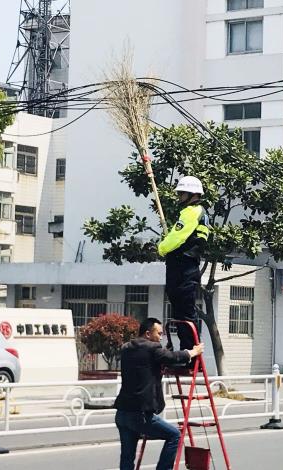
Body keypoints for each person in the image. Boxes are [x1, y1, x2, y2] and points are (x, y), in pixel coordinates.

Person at [114, 317, 204, 470]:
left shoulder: (126, 348)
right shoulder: (152, 348)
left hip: (122, 413)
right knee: (174, 435)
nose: (160, 337)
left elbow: (148, 362)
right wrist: (193, 352)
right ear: (148, 334)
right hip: (140, 415)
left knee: (127, 458)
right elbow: (172, 358)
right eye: (159, 334)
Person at [158, 176, 209, 352]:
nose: (179, 197)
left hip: (184, 267)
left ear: (191, 194)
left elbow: (177, 237)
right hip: (183, 266)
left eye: (182, 193)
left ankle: (190, 352)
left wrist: (162, 248)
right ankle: (184, 351)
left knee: (185, 311)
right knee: (180, 311)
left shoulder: (192, 212)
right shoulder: (193, 213)